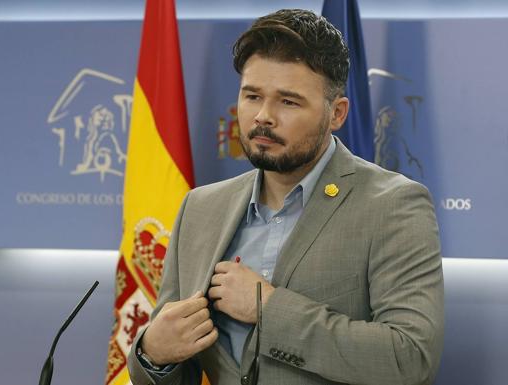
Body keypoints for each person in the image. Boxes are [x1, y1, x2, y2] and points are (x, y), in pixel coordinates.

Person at [127, 9, 444, 385]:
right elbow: (177, 364)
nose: (263, 116)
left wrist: (269, 308)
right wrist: (152, 354)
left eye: (288, 102)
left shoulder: (392, 205)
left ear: (336, 113)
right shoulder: (200, 207)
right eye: (252, 96)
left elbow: (409, 357)